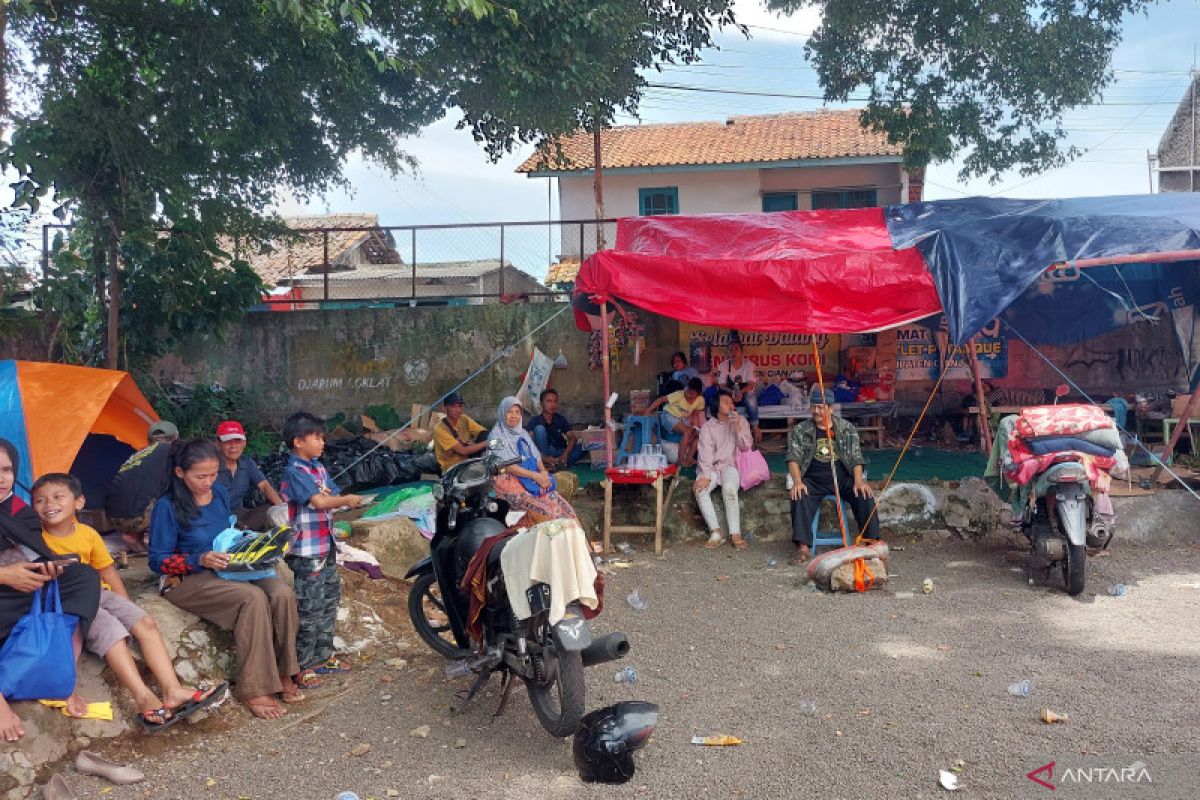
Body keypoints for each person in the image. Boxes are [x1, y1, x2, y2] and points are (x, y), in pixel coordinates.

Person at [34, 472, 224, 731]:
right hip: (73, 603)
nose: (49, 505)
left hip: (100, 593)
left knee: (144, 622)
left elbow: (108, 571)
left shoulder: (88, 534)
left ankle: (172, 689)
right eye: (40, 501)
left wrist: (125, 605)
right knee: (113, 633)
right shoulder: (36, 539)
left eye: (57, 497)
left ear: (78, 502)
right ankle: (143, 697)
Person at [149, 439, 303, 720]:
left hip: (228, 566)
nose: (208, 482)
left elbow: (230, 530)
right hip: (185, 579)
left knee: (281, 593)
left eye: (213, 474)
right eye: (200, 476)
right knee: (252, 598)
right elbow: (157, 560)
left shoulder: (219, 493)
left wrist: (260, 543)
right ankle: (255, 688)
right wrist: (199, 559)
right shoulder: (167, 506)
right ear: (181, 473)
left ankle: (284, 672)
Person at [0, 438, 100, 742]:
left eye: (5, 469)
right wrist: (4, 575)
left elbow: (34, 552)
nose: (0, 478)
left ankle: (61, 672)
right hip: (6, 584)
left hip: (18, 591)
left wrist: (45, 569)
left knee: (82, 576)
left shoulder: (18, 510)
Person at [279, 412, 368, 686]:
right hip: (306, 551)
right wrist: (344, 500)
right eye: (316, 437)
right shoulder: (295, 471)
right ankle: (302, 666)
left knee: (329, 599)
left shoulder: (318, 468)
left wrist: (343, 500)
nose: (322, 443)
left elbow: (331, 494)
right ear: (298, 441)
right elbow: (319, 501)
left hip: (325, 546)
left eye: (322, 437)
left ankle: (323, 656)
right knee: (309, 607)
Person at [786, 388, 879, 565]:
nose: (816, 411)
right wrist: (797, 481)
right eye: (813, 407)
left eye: (820, 407)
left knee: (864, 494)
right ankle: (803, 547)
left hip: (842, 479)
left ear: (831, 408)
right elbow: (793, 457)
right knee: (799, 495)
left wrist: (859, 481)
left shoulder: (846, 428)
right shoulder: (802, 429)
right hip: (813, 481)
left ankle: (872, 542)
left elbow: (856, 457)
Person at [489, 397, 578, 524]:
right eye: (509, 412)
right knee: (545, 513)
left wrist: (543, 473)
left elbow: (536, 456)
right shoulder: (494, 437)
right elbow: (507, 466)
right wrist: (535, 476)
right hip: (508, 481)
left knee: (565, 509)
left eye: (517, 412)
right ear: (502, 413)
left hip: (530, 478)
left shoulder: (522, 433)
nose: (513, 416)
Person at [105, 420, 180, 553]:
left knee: (147, 491)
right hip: (138, 518)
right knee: (181, 493)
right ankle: (154, 539)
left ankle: (134, 538)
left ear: (148, 440)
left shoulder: (139, 455)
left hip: (112, 518)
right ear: (176, 437)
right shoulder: (172, 451)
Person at [695, 390, 753, 551]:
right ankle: (716, 532)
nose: (730, 404)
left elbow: (746, 446)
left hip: (731, 466)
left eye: (730, 402)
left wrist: (736, 426)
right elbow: (705, 453)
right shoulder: (708, 427)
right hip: (711, 467)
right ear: (716, 405)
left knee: (729, 489)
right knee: (700, 489)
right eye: (725, 401)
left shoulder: (741, 421)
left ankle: (735, 534)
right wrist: (706, 476)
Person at [216, 420, 284, 530]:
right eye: (228, 442)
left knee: (276, 506)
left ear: (244, 442)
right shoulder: (211, 465)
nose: (233, 446)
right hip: (216, 517)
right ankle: (239, 529)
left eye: (237, 441)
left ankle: (243, 528)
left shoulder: (246, 462)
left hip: (239, 513)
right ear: (219, 443)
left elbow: (264, 486)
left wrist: (281, 507)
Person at [646, 378, 706, 467]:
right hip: (668, 416)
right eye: (688, 392)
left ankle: (689, 458)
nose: (689, 395)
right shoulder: (679, 395)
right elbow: (661, 399)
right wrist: (648, 410)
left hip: (681, 419)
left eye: (692, 394)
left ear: (699, 394)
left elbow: (695, 415)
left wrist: (695, 427)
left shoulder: (700, 400)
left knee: (698, 436)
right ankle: (680, 460)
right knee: (687, 432)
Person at [712, 337, 762, 442]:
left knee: (750, 398)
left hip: (745, 394)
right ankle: (722, 429)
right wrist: (733, 392)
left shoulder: (749, 365)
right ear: (728, 352)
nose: (733, 352)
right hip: (730, 394)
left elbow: (751, 385)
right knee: (720, 398)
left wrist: (740, 392)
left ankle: (755, 426)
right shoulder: (723, 365)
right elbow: (721, 385)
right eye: (731, 350)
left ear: (741, 351)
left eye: (736, 349)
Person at [528, 388, 583, 471]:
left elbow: (573, 439)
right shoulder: (534, 421)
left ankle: (557, 464)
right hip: (543, 453)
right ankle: (549, 464)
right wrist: (543, 457)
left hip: (560, 452)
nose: (552, 405)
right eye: (549, 401)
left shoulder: (560, 419)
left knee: (583, 446)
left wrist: (564, 455)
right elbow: (528, 443)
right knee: (539, 429)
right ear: (541, 403)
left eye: (555, 402)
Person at [433, 392, 488, 472]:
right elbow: (463, 451)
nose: (458, 410)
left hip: (468, 460)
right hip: (452, 468)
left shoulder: (464, 419)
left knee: (485, 436)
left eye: (460, 406)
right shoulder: (439, 429)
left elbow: (483, 432)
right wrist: (486, 443)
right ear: (445, 409)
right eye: (453, 406)